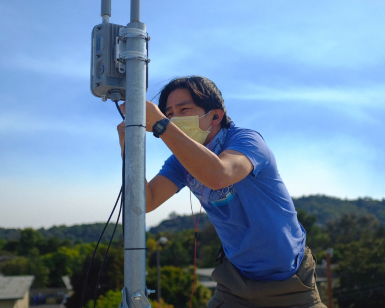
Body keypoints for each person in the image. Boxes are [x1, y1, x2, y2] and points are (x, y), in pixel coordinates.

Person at [117, 76, 326, 308]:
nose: (175, 119)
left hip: (290, 281)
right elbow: (146, 201)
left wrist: (160, 124)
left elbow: (219, 175)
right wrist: (128, 146)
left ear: (215, 116)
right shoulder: (180, 162)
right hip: (235, 281)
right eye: (169, 113)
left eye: (184, 109)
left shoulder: (247, 140)